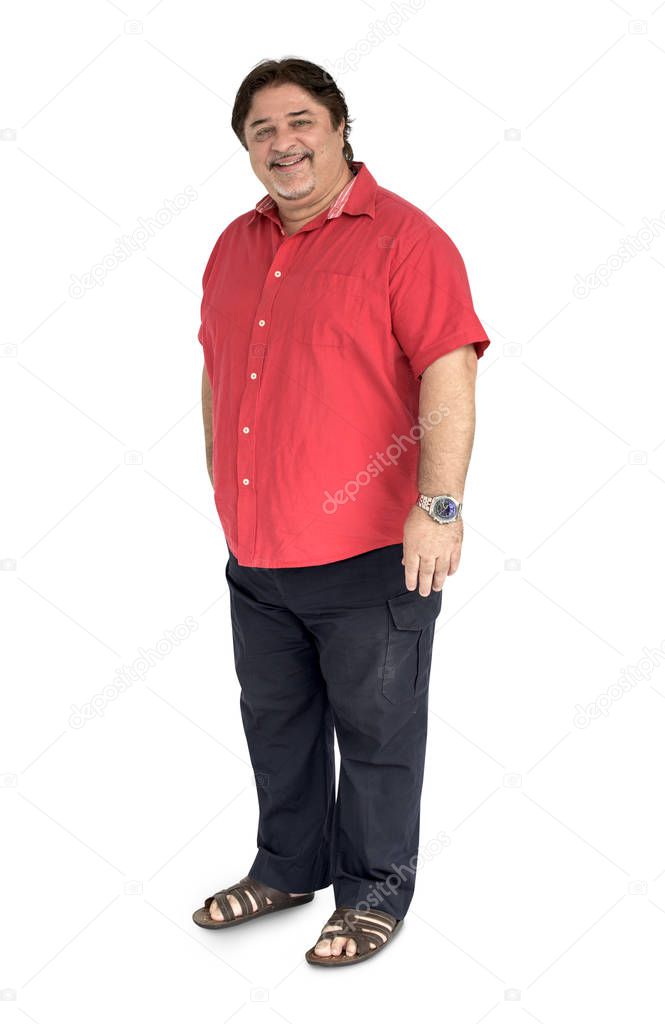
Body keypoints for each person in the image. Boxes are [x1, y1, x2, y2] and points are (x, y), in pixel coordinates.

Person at [192, 56, 491, 967]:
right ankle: (287, 867)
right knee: (274, 725)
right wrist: (221, 487)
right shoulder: (234, 245)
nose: (281, 144)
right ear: (246, 148)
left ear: (338, 127)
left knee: (377, 735)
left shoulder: (405, 239)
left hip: (370, 556)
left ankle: (374, 895)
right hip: (260, 554)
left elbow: (450, 372)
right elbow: (215, 371)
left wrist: (438, 507)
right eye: (260, 131)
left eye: (298, 123)